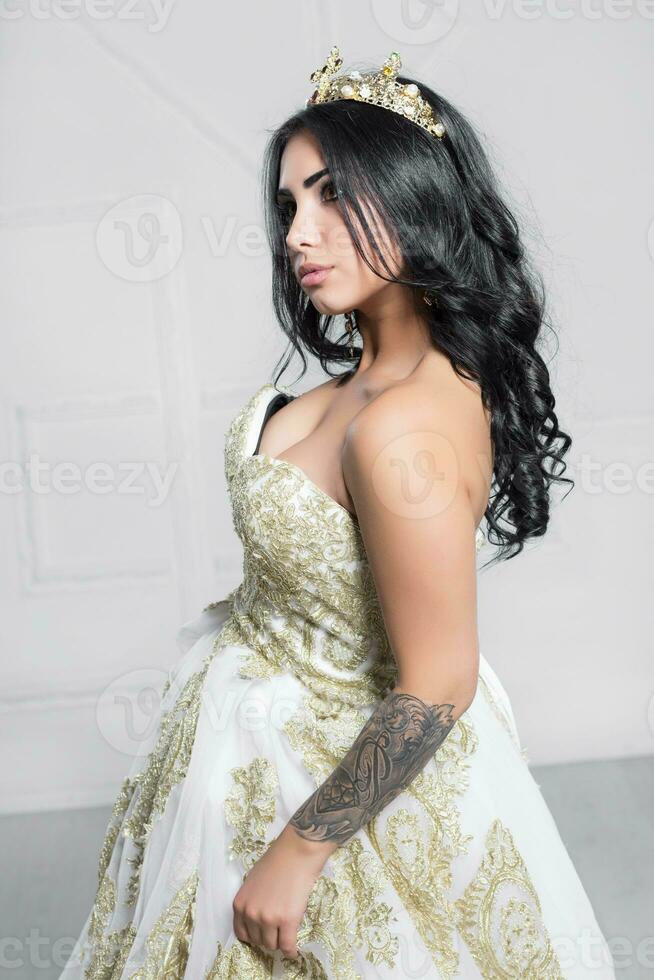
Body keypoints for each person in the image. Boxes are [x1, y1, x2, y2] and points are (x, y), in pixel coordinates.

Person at [60, 47, 616, 979]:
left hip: (324, 789)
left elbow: (440, 676)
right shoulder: (361, 388)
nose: (297, 235)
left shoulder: (404, 426)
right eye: (288, 208)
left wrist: (301, 848)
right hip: (238, 760)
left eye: (329, 197)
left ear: (412, 200)